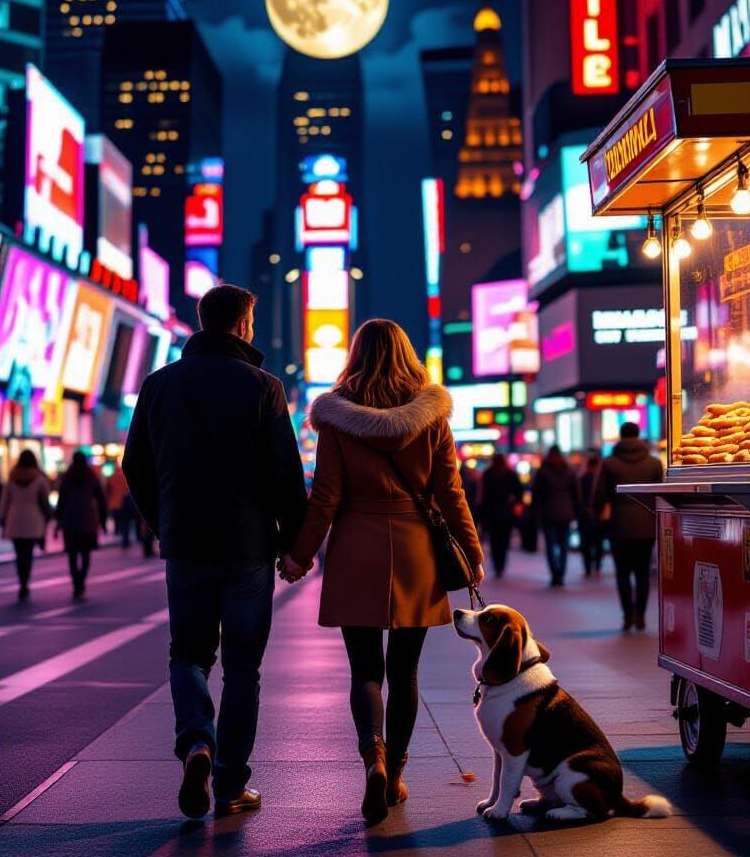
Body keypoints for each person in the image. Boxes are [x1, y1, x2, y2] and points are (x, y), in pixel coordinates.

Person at [282, 319, 484, 827]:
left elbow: (325, 495)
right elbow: (449, 491)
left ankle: (371, 758)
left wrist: (300, 555)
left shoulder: (335, 418)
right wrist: (472, 552)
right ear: (406, 353)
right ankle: (394, 774)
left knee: (365, 670)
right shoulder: (432, 415)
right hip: (416, 548)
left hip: (357, 547)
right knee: (406, 671)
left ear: (356, 356)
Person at [122, 284, 307, 821]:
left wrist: (164, 523)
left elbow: (136, 466)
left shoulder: (159, 385)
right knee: (243, 670)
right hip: (247, 546)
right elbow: (285, 477)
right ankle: (229, 784)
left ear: (203, 322)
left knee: (188, 655)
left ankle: (197, 741)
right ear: (244, 325)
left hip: (186, 543)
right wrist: (294, 545)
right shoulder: (264, 387)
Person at [602, 423, 663, 631]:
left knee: (622, 572)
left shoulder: (609, 464)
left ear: (621, 436)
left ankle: (627, 615)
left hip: (619, 525)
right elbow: (660, 496)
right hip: (647, 524)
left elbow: (599, 495)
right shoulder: (654, 463)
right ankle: (641, 616)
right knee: (643, 572)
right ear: (639, 435)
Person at [0, 450, 52, 599]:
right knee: (28, 553)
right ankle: (25, 582)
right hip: (33, 518)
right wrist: (48, 516)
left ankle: (21, 580)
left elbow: (5, 501)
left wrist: (2, 518)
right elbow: (44, 501)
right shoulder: (39, 479)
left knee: (18, 552)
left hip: (15, 518)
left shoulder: (12, 477)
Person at [56, 451, 107, 599]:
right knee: (85, 554)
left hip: (70, 521)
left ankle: (76, 583)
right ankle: (81, 582)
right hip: (87, 521)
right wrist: (103, 521)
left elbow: (61, 500)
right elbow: (101, 500)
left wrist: (58, 520)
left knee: (72, 555)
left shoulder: (67, 477)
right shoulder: (91, 477)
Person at [532, 445, 579, 587]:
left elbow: (536, 494)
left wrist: (536, 510)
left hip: (548, 512)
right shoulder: (569, 471)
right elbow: (577, 493)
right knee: (564, 545)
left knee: (551, 545)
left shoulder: (542, 471)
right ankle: (561, 573)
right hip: (566, 512)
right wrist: (576, 511)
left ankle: (554, 573)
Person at [475, 452, 522, 578]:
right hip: (506, 512)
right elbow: (519, 492)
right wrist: (516, 504)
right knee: (504, 540)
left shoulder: (488, 474)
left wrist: (480, 513)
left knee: (494, 540)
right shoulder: (510, 474)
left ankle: (497, 564)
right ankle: (501, 564)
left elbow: (482, 496)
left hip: (491, 513)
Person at [577, 451, 607, 578]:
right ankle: (597, 566)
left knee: (586, 543)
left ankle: (588, 567)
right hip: (598, 515)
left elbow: (578, 498)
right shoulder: (602, 480)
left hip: (584, 515)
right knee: (598, 542)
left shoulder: (581, 479)